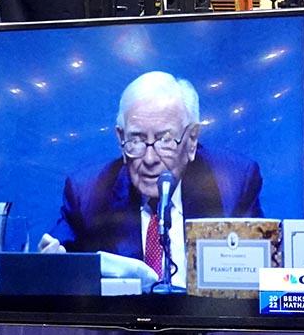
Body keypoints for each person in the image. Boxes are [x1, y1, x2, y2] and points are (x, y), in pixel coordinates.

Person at [40, 71, 263, 289]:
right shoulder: (88, 192)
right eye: (136, 139)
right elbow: (56, 261)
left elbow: (257, 282)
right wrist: (52, 266)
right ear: (120, 138)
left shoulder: (233, 184)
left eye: (164, 140)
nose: (149, 158)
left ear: (192, 139)